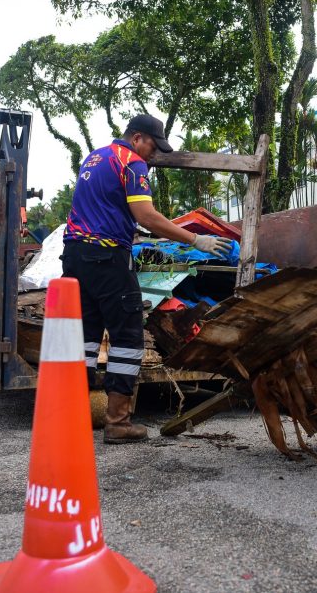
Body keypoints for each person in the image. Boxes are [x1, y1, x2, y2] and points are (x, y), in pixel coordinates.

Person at [61, 114, 231, 444]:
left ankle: (71, 416)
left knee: (85, 337)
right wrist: (195, 240)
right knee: (127, 339)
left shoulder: (95, 157)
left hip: (75, 256)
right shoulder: (131, 161)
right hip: (108, 257)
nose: (153, 155)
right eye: (153, 146)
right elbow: (147, 216)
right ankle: (118, 422)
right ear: (137, 138)